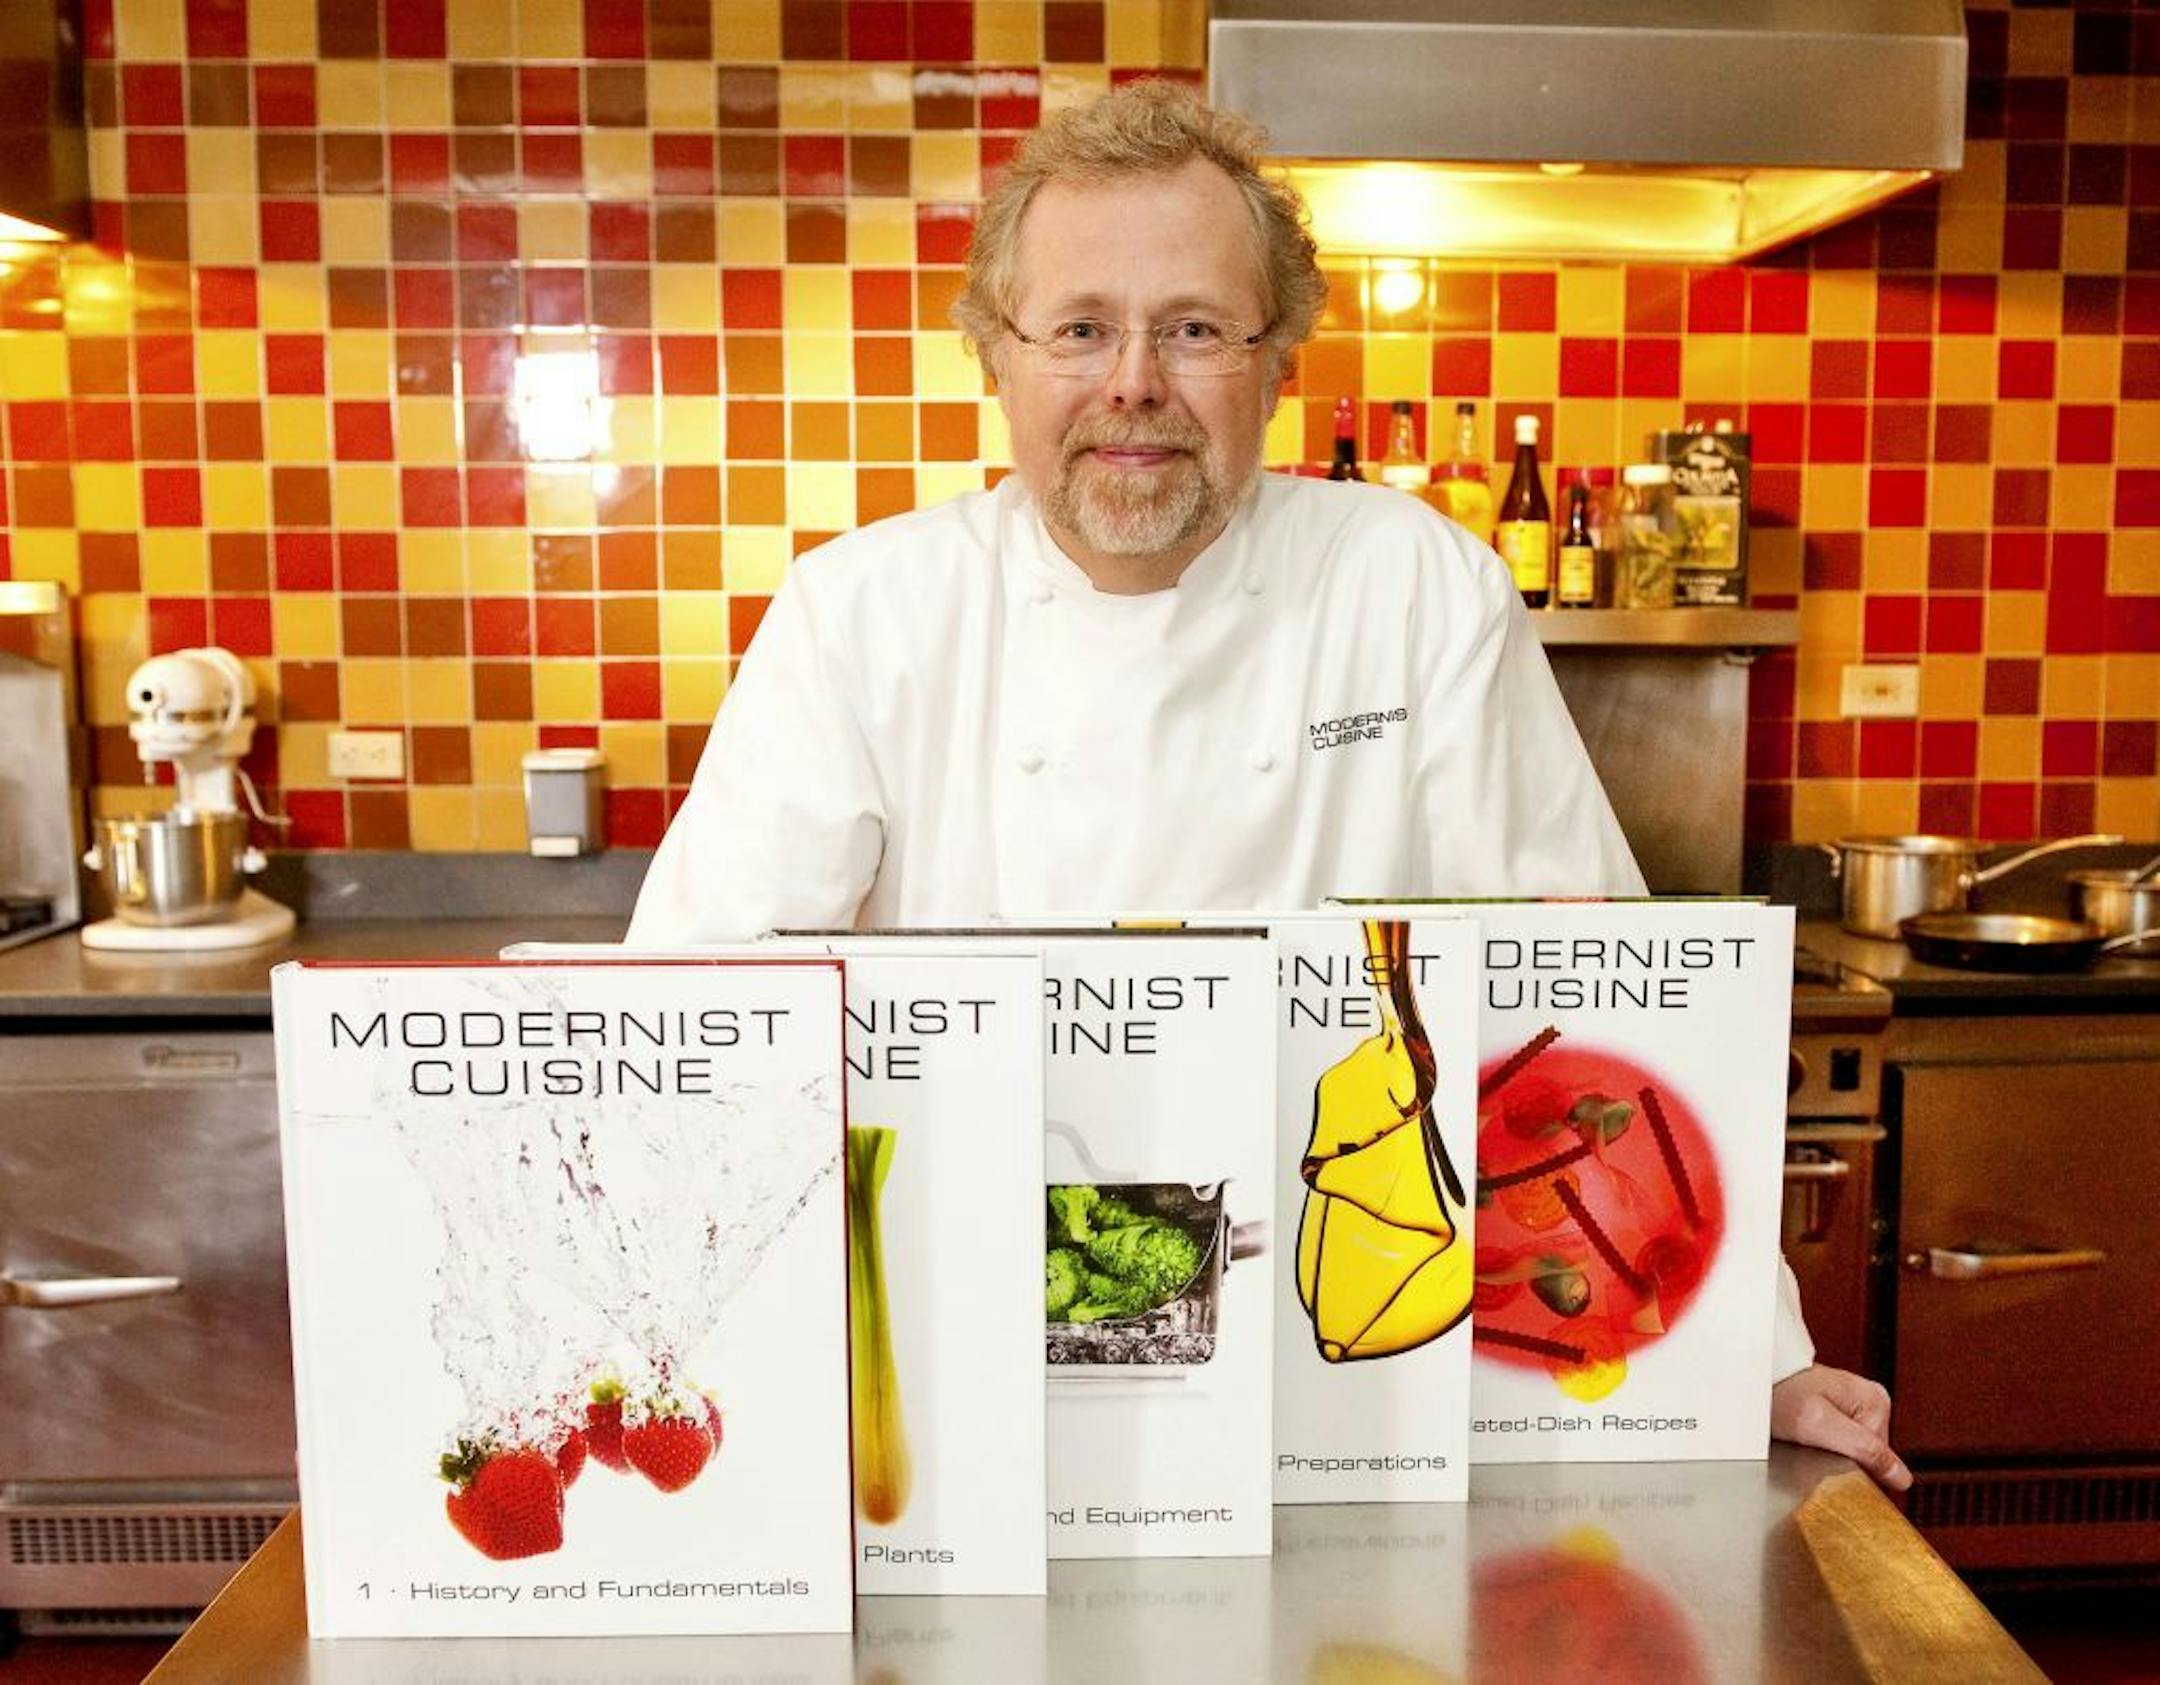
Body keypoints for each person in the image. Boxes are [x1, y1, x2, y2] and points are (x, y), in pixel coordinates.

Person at [629, 80, 1909, 1491]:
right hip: (967, 1354)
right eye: (1080, 328)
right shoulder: (861, 614)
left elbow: (1584, 972)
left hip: (1343, 1348)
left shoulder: (1410, 584)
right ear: (998, 356)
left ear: (1278, 359)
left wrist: (1747, 1349)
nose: (1133, 383)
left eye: (1193, 329)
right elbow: (702, 1006)